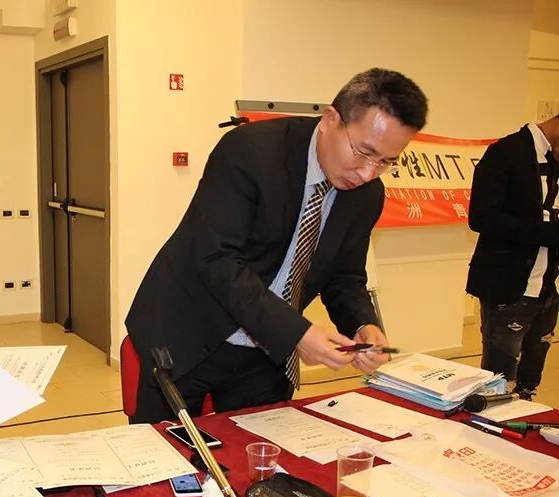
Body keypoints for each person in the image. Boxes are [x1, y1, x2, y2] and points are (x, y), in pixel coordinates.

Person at [126, 68, 428, 424]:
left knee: (263, 449)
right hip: (188, 331)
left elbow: (344, 276)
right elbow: (217, 259)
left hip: (267, 350)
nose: (367, 173)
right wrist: (296, 333)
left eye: (386, 162)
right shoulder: (250, 151)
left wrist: (363, 324)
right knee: (167, 450)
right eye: (363, 152)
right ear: (331, 119)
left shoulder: (366, 194)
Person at [466, 114, 559, 399]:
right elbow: (481, 217)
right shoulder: (506, 153)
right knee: (499, 382)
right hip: (509, 286)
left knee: (530, 380)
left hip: (547, 287)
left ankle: (525, 416)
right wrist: (547, 233)